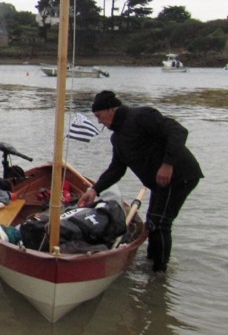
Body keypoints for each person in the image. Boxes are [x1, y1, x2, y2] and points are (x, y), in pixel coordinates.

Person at [77, 90, 203, 273]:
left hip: (180, 175)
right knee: (152, 222)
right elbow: (116, 169)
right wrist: (94, 190)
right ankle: (152, 263)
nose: (98, 121)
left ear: (111, 110)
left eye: (99, 116)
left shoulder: (141, 116)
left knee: (160, 223)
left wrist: (167, 164)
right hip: (160, 184)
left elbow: (178, 131)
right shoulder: (117, 138)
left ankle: (160, 272)